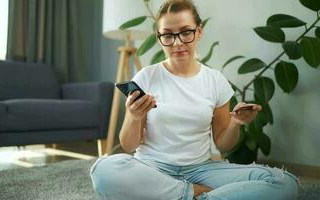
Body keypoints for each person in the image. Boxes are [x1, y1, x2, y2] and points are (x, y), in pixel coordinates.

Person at [90, 0, 299, 199]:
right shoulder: (146, 77)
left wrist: (236, 123)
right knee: (103, 169)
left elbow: (224, 143)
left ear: (199, 32)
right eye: (168, 36)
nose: (177, 42)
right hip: (152, 169)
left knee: (284, 182)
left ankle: (190, 196)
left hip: (201, 170)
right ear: (159, 38)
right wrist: (134, 116)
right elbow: (129, 145)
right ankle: (191, 194)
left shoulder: (215, 81)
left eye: (185, 32)